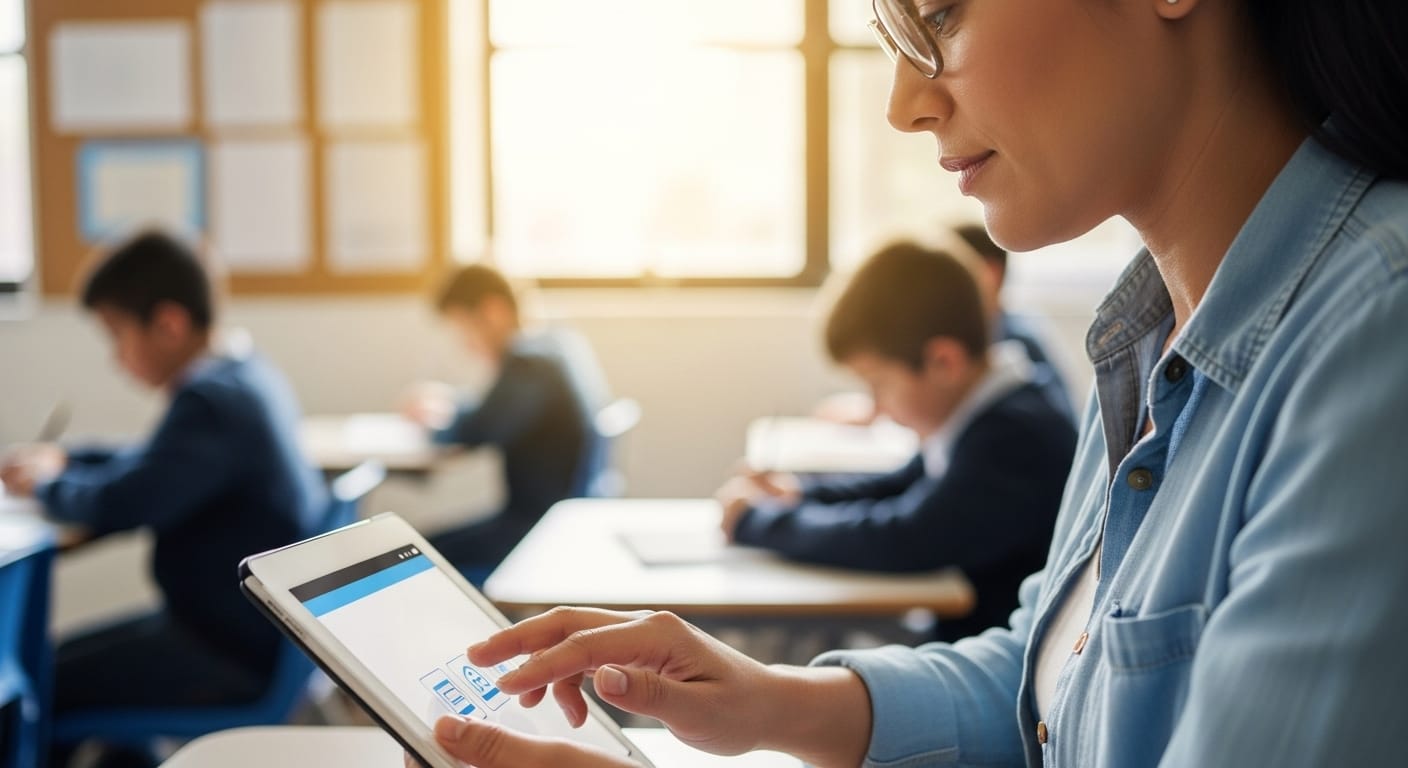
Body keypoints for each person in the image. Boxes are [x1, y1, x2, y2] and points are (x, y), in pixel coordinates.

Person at [413, 0, 1408, 765]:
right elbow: (1049, 682)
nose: (902, 102)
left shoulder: (1376, 332)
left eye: (938, 15)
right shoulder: (1145, 330)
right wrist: (771, 701)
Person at [0, 231, 326, 768]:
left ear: (169, 325)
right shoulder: (243, 376)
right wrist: (68, 461)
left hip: (227, 654)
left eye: (116, 334)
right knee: (52, 664)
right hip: (252, 639)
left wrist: (45, 486)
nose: (115, 358)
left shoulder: (210, 402)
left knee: (36, 684)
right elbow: (154, 465)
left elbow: (124, 503)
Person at [716, 241, 1076, 641]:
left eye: (878, 384)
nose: (876, 406)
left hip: (997, 660)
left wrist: (759, 521)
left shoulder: (1014, 439)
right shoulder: (986, 414)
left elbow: (905, 537)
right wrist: (799, 493)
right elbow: (902, 482)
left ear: (944, 362)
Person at [401, 264, 605, 582]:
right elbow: (497, 411)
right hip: (566, 515)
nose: (465, 343)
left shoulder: (528, 362)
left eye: (464, 327)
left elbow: (477, 430)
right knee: (427, 545)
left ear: (493, 312)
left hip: (536, 527)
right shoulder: (557, 343)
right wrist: (453, 404)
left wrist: (435, 420)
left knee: (413, 554)